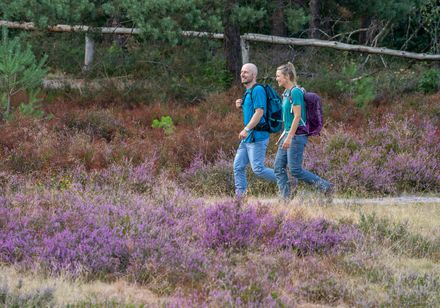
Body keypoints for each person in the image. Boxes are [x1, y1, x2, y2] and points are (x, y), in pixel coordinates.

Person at [274, 62, 333, 200]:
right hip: (287, 134)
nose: (276, 79)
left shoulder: (295, 92)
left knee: (295, 170)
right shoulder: (286, 93)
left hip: (296, 136)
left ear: (287, 76)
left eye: (278, 76)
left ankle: (325, 186)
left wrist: (289, 137)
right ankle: (285, 199)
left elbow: (298, 116)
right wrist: (285, 136)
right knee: (278, 168)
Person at [233, 63, 277, 197]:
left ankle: (287, 180)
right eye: (241, 72)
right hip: (248, 138)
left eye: (246, 72)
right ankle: (240, 199)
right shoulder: (248, 91)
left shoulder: (258, 90)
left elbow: (259, 112)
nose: (242, 74)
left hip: (257, 136)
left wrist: (246, 129)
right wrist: (240, 106)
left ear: (254, 75)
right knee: (238, 167)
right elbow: (252, 110)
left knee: (258, 169)